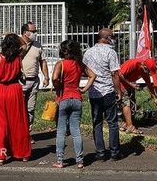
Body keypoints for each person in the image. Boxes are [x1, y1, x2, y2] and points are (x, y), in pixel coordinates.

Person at [0, 34, 31, 165]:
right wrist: (17, 37)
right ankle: (23, 154)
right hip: (15, 90)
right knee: (19, 122)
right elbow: (25, 44)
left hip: (0, 91)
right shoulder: (18, 56)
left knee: (1, 125)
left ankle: (1, 156)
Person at [52, 40, 96, 168]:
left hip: (64, 98)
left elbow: (55, 78)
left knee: (61, 131)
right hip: (77, 98)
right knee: (76, 131)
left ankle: (60, 161)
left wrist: (58, 87)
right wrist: (84, 89)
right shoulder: (79, 64)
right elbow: (93, 75)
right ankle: (80, 161)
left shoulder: (60, 64)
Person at [83, 28, 122, 161]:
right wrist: (119, 91)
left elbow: (85, 71)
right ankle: (115, 152)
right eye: (112, 36)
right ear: (106, 38)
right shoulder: (111, 53)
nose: (113, 39)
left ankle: (100, 153)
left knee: (97, 123)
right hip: (108, 91)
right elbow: (115, 74)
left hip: (94, 92)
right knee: (112, 122)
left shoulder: (88, 53)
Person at [20, 22, 49, 141]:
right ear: (25, 32)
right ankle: (18, 133)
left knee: (30, 109)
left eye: (35, 31)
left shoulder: (37, 45)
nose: (34, 34)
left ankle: (27, 133)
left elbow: (43, 61)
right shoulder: (16, 44)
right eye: (32, 31)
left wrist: (46, 77)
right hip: (20, 81)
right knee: (19, 109)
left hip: (34, 81)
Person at [118, 57, 157, 135]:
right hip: (121, 84)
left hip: (130, 85)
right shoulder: (133, 63)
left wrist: (155, 98)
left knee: (133, 104)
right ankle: (130, 126)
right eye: (147, 69)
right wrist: (131, 84)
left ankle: (125, 124)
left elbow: (149, 85)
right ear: (143, 64)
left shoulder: (144, 70)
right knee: (126, 103)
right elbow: (119, 74)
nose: (148, 72)